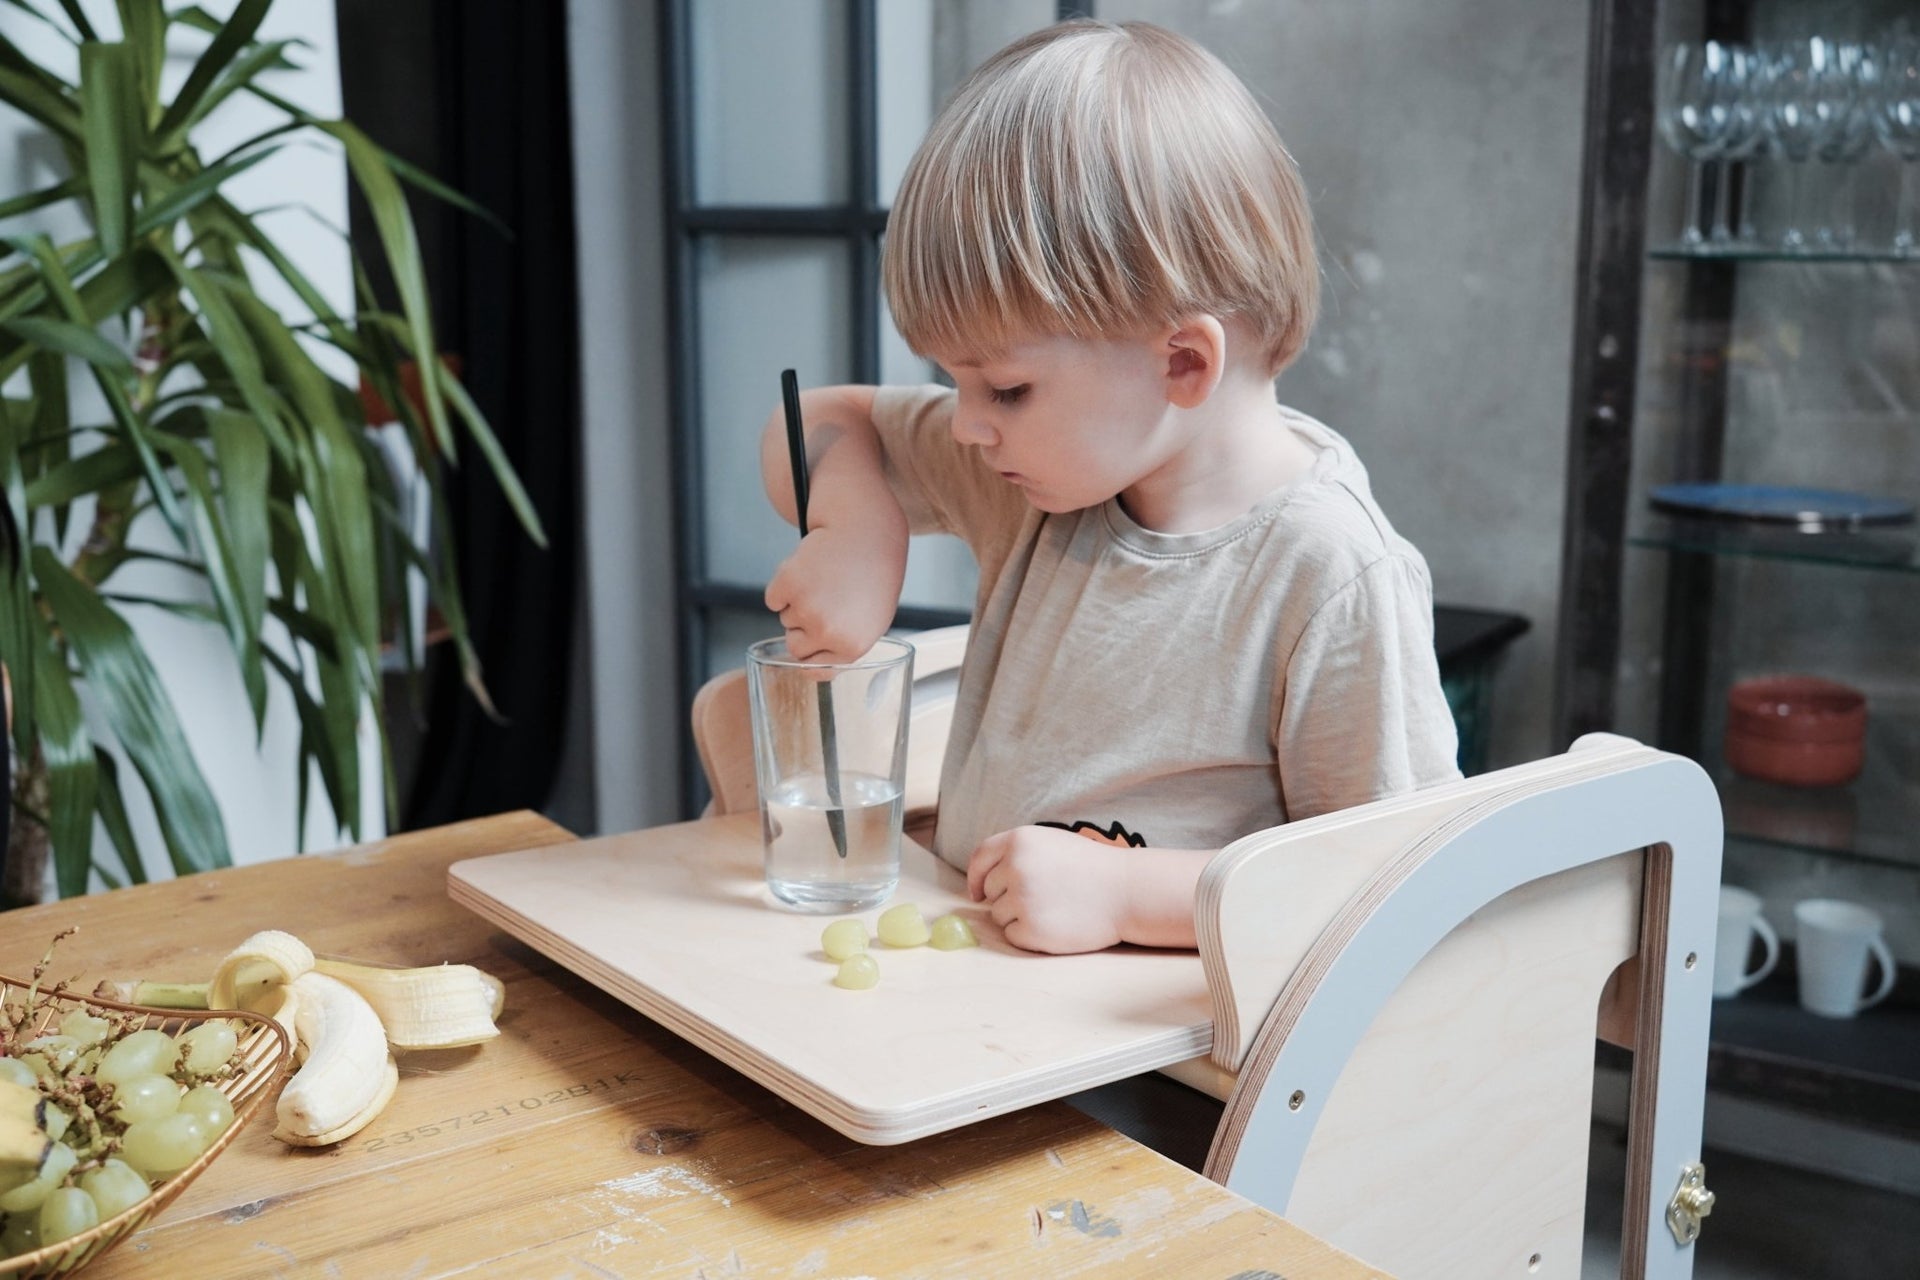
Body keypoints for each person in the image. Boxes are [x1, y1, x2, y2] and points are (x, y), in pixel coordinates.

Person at [760, 19, 1459, 955]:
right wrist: (855, 523)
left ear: (1180, 361)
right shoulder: (1034, 474)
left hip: (1175, 1085)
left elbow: (1402, 880)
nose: (966, 422)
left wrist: (1133, 897)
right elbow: (812, 418)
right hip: (979, 1020)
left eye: (1004, 387)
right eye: (955, 380)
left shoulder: (1328, 572)